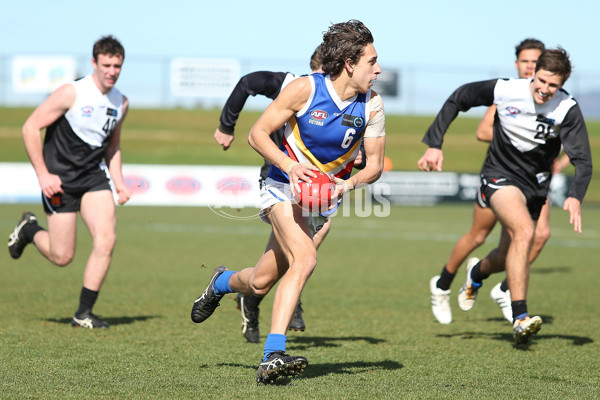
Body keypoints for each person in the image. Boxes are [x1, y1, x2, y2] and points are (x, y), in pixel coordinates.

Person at [191, 19, 386, 383]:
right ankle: (272, 355)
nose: (378, 69)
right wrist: (289, 165)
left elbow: (374, 167)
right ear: (349, 64)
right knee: (306, 258)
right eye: (371, 61)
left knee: (262, 282)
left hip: (321, 199)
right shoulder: (303, 90)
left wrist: (348, 184)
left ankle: (220, 282)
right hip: (280, 185)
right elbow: (257, 134)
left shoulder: (372, 106)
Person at [418, 48, 592, 344]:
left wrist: (576, 195)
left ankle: (477, 274)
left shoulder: (567, 109)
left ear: (562, 83)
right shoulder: (506, 90)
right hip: (498, 176)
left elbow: (583, 159)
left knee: (506, 253)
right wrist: (435, 142)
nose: (545, 90)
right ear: (533, 72)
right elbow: (459, 97)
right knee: (524, 231)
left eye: (553, 85)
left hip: (535, 186)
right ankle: (520, 316)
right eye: (541, 81)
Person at [7, 35, 131, 329]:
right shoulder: (70, 93)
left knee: (107, 240)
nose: (112, 71)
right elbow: (30, 127)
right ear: (94, 63)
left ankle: (83, 313)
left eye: (117, 65)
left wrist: (120, 182)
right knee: (62, 256)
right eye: (106, 64)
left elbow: (112, 146)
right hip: (58, 181)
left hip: (92, 179)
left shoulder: (122, 102)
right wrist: (43, 175)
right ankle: (29, 229)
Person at [212, 46, 325, 343]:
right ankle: (285, 321)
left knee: (262, 279)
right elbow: (248, 82)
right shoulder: (288, 85)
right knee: (302, 250)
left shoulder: (341, 103)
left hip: (313, 189)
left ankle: (244, 295)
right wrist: (226, 125)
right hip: (278, 181)